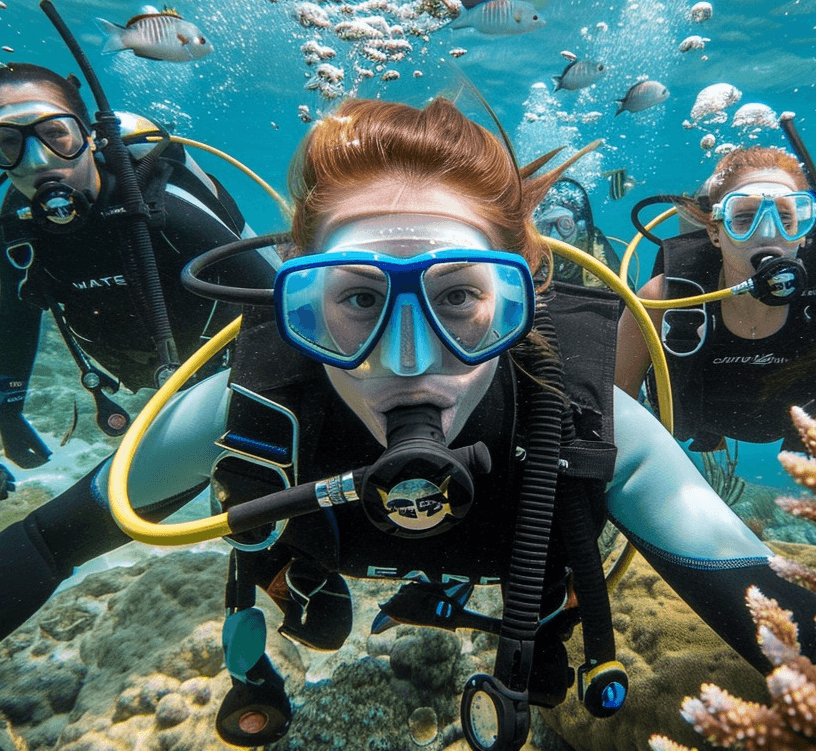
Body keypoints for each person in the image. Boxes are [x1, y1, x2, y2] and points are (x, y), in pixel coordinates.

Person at [4, 99, 816, 749]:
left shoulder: (587, 421)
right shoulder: (253, 408)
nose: (405, 357)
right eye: (358, 298)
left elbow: (776, 611)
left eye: (458, 296)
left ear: (520, 302)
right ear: (302, 302)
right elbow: (44, 543)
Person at [0, 63, 278, 469]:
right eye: (8, 142)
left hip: (229, 363)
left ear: (89, 136)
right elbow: (15, 315)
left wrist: (268, 393)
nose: (39, 161)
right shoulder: (17, 234)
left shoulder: (162, 211)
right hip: (143, 373)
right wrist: (8, 407)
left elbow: (276, 300)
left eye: (56, 134)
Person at [615, 146, 816, 452]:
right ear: (714, 232)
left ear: (803, 232)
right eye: (744, 217)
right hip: (698, 421)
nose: (768, 232)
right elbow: (616, 402)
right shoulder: (664, 298)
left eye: (786, 219)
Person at [532, 176, 621, 287]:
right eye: (547, 225)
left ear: (579, 225)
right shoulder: (529, 247)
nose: (556, 231)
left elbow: (621, 291)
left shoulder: (594, 244)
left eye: (565, 223)